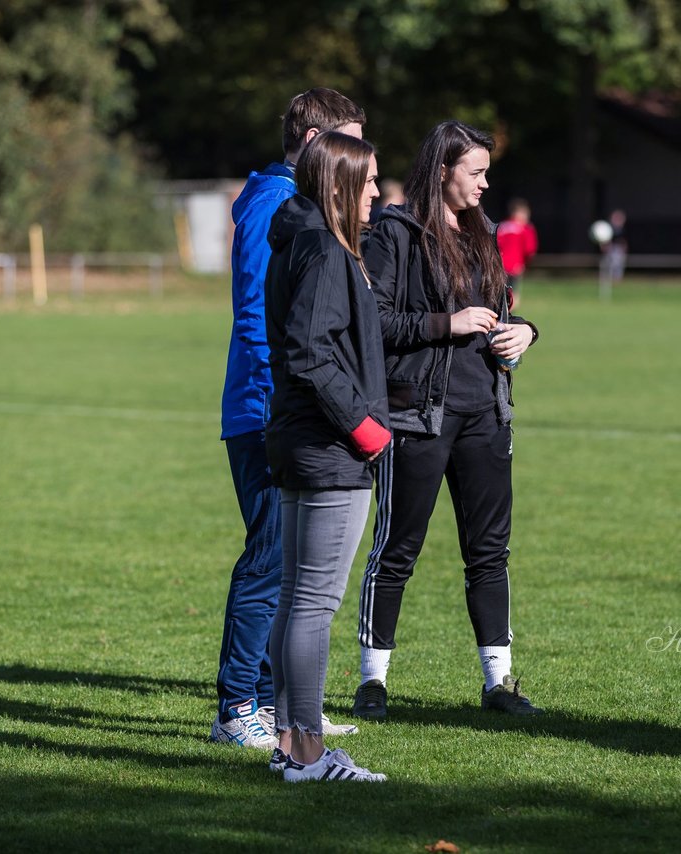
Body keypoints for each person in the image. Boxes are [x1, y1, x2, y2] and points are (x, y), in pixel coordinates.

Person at [353, 120, 541, 721]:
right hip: (416, 417)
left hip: (487, 412)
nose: (487, 184)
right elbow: (374, 322)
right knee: (396, 548)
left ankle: (499, 684)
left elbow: (506, 305)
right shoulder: (396, 231)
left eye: (487, 171)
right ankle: (373, 682)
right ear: (442, 171)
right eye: (476, 172)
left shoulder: (484, 229)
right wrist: (447, 324)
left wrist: (526, 332)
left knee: (489, 552)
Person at [213, 88, 366, 750]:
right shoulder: (275, 204)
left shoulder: (283, 200)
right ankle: (237, 708)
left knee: (296, 566)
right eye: (349, 144)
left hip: (284, 410)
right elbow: (256, 318)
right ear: (313, 144)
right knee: (271, 560)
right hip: (266, 412)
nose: (357, 162)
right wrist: (287, 405)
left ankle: (286, 707)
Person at [263, 131, 391, 782]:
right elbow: (309, 350)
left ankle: (289, 745)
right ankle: (308, 751)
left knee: (297, 598)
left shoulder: (312, 243)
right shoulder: (321, 248)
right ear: (340, 184)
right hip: (326, 447)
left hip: (305, 441)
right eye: (368, 182)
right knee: (314, 602)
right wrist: (364, 426)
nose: (378, 193)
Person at [496, 198, 538, 309]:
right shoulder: (525, 229)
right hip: (515, 266)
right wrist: (525, 263)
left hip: (499, 265)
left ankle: (500, 313)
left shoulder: (501, 226)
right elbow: (530, 249)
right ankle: (507, 317)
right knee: (513, 295)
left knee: (499, 292)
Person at [598, 209, 627, 292]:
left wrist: (624, 249)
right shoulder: (608, 228)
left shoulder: (622, 230)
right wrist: (604, 246)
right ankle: (605, 283)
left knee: (617, 267)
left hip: (618, 251)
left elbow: (623, 241)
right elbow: (604, 239)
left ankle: (617, 283)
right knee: (606, 266)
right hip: (610, 250)